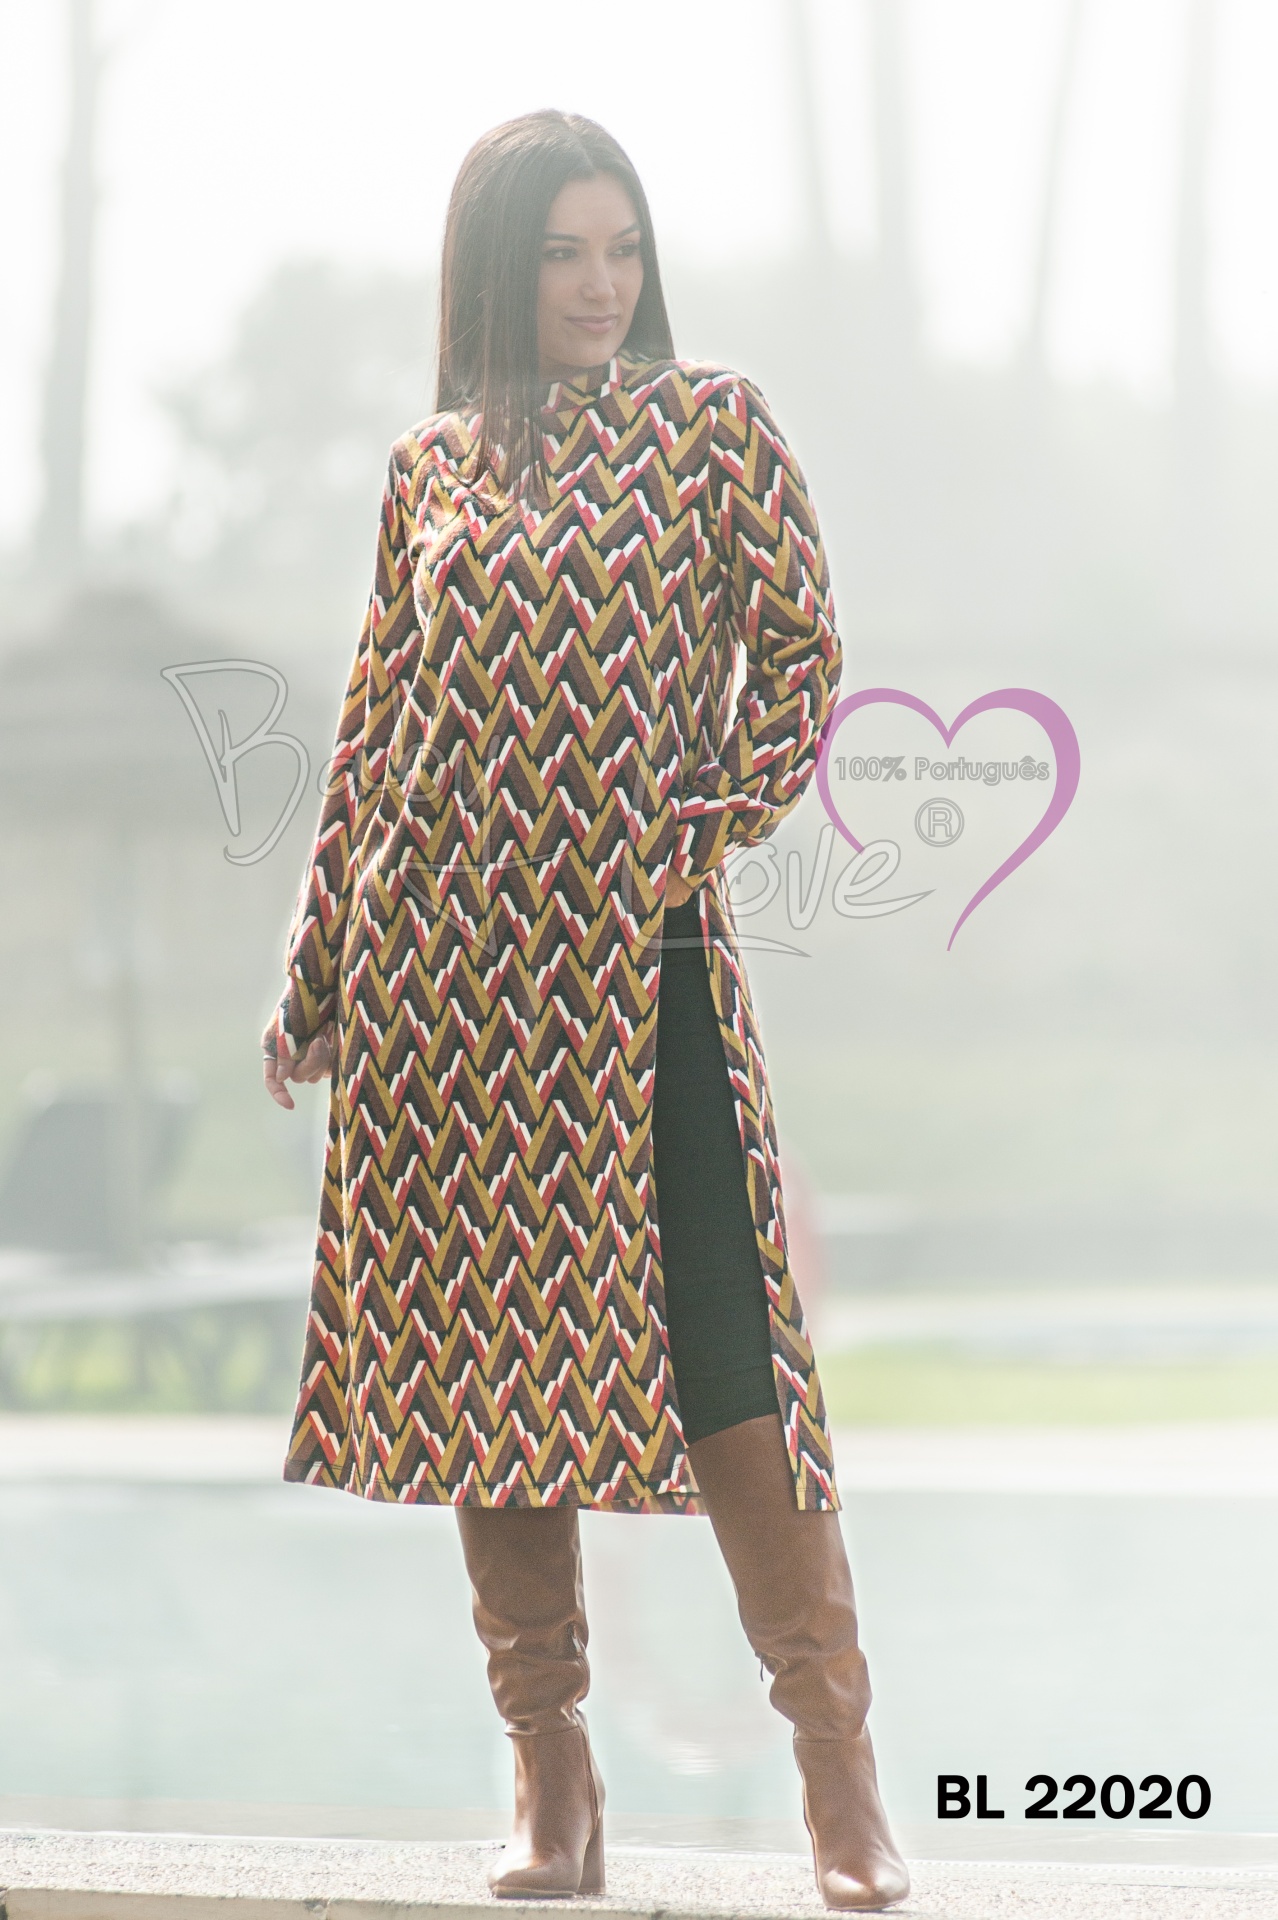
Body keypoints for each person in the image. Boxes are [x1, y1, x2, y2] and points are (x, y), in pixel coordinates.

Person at [261, 110, 908, 1913]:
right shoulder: (431, 468)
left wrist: (706, 819)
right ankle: (551, 1777)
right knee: (490, 1361)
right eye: (561, 253)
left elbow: (802, 658)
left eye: (621, 249)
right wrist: (317, 969)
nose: (599, 284)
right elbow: (375, 735)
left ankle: (836, 1769)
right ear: (497, 266)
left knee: (728, 1345)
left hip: (638, 967)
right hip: (445, 985)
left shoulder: (713, 429)